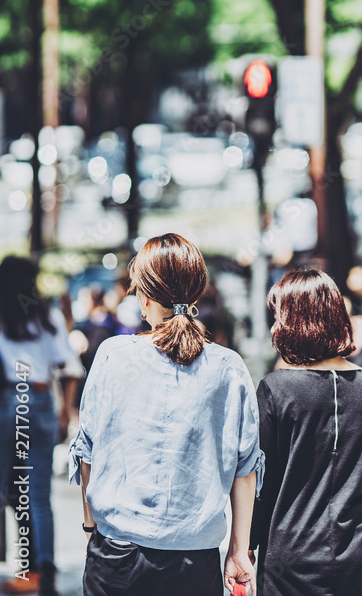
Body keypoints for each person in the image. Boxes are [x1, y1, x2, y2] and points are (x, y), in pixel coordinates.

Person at [67, 234, 263, 596]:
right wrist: (238, 551)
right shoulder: (229, 367)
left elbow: (86, 451)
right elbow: (245, 469)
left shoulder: (112, 355)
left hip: (117, 555)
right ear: (198, 291)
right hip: (195, 559)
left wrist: (91, 527)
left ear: (144, 296)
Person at [250, 269, 362, 595]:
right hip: (358, 554)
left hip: (289, 555)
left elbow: (262, 482)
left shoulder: (276, 389)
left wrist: (246, 544)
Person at [0, 257, 84, 595]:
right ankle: (43, 570)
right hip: (41, 402)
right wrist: (65, 413)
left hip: (8, 400)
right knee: (39, 494)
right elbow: (69, 368)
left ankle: (22, 566)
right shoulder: (47, 317)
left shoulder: (3, 315)